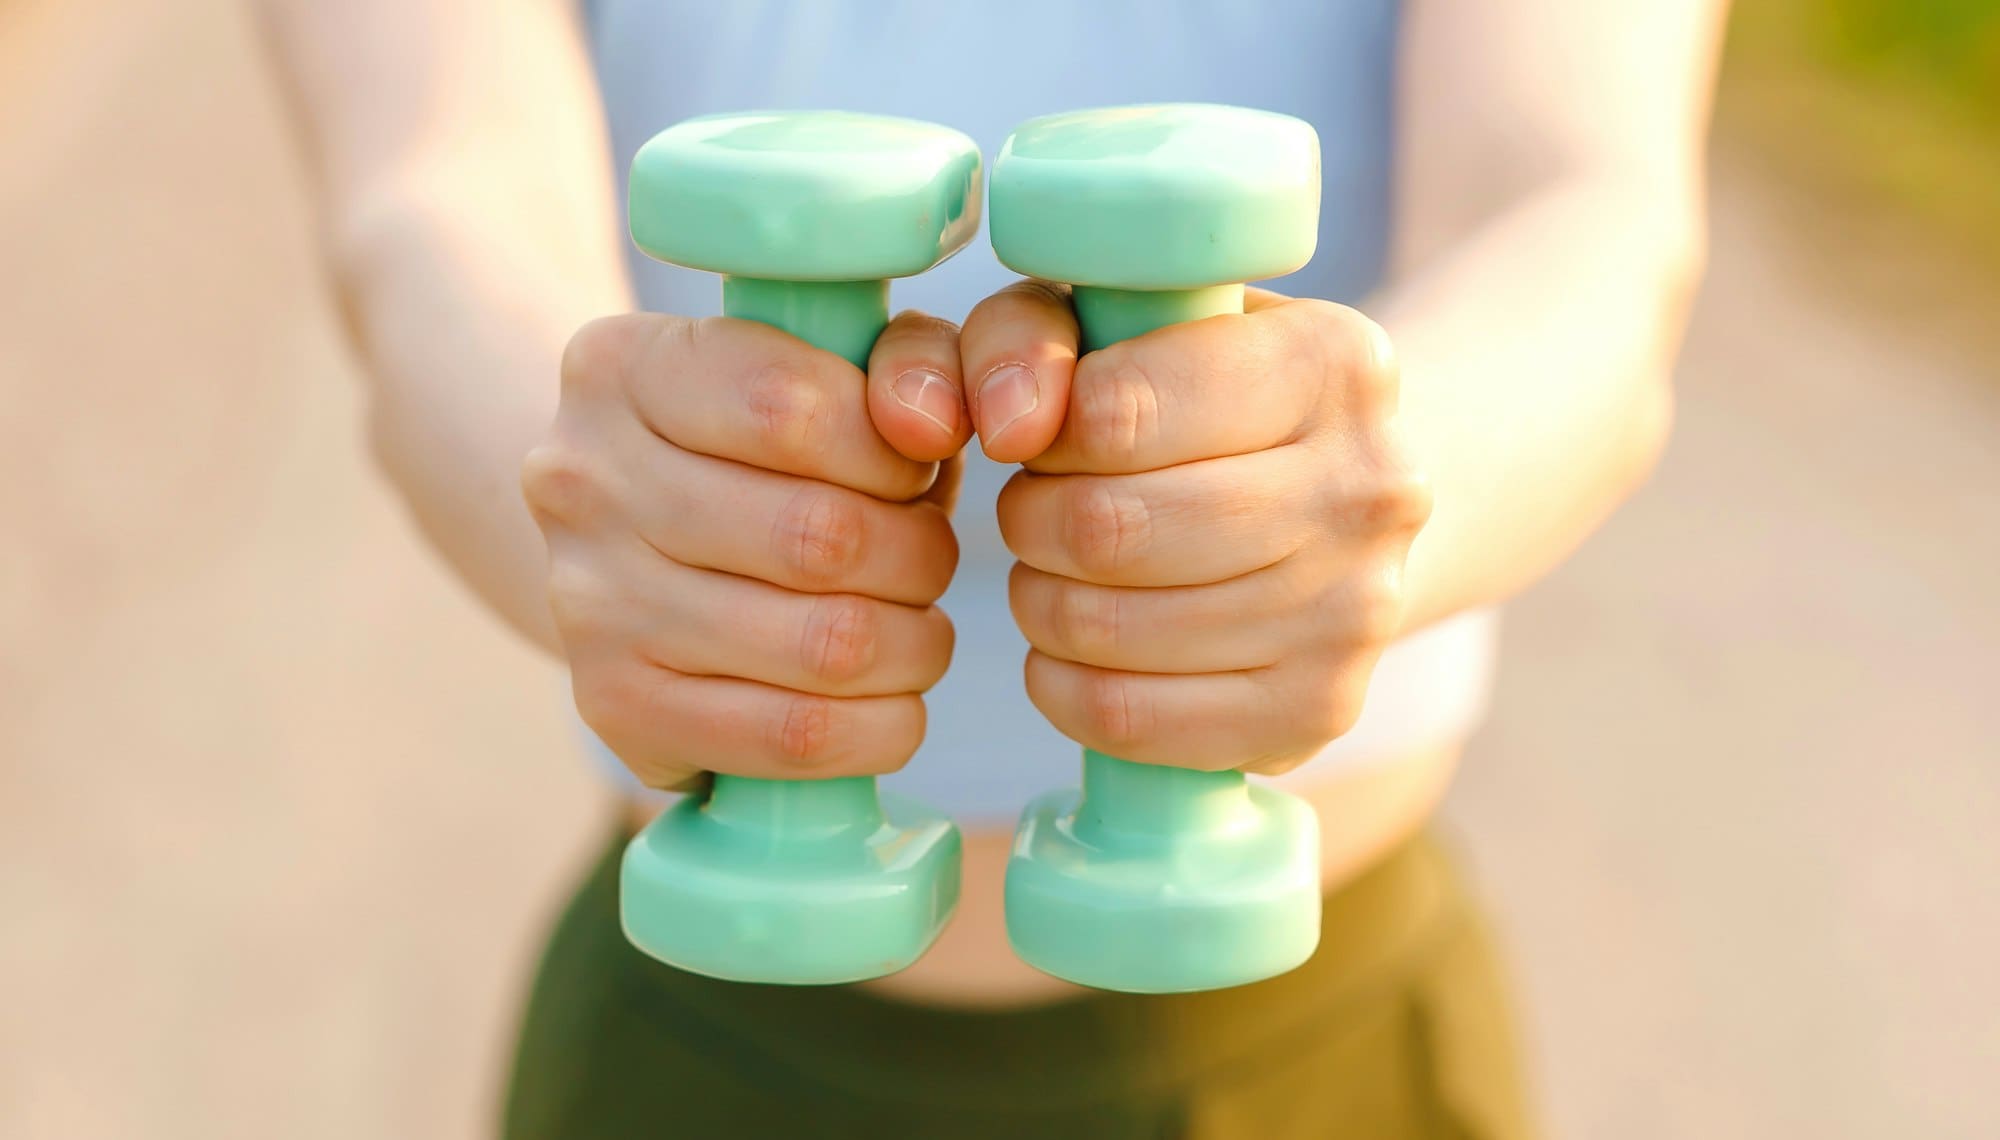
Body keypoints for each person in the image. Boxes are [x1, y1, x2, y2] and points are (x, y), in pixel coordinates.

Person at [262, 1, 1722, 1135]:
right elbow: (432, 195)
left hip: (1319, 1070)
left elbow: (1586, 206)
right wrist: (601, 488)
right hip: (696, 1071)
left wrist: (1386, 473)